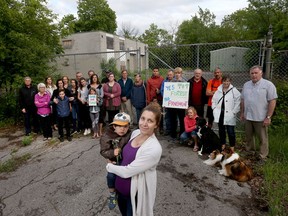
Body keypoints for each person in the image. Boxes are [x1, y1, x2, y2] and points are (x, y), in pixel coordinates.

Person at [106, 103, 163, 216]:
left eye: (150, 121)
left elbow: (127, 171)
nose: (144, 124)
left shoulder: (154, 148)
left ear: (156, 125)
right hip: (120, 192)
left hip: (135, 197)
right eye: (143, 118)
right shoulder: (136, 133)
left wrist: (109, 167)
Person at [240, 65, 277, 159]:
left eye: (256, 73)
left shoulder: (268, 85)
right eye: (252, 73)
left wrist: (268, 117)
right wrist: (242, 113)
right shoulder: (246, 85)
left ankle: (262, 155)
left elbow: (272, 101)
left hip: (261, 117)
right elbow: (243, 100)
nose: (253, 75)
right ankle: (250, 151)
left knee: (262, 138)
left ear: (261, 73)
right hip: (248, 116)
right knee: (248, 137)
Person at [100, 112, 132, 210]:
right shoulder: (106, 136)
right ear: (114, 126)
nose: (122, 129)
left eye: (125, 126)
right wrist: (112, 153)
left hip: (127, 161)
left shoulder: (130, 134)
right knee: (111, 176)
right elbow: (103, 151)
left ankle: (128, 193)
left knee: (127, 178)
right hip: (114, 162)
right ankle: (112, 194)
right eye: (119, 126)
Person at [212, 75, 241, 152]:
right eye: (224, 81)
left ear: (230, 82)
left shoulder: (234, 90)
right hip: (220, 113)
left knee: (230, 131)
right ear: (222, 81)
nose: (226, 82)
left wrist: (234, 111)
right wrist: (214, 108)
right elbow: (214, 100)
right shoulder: (218, 90)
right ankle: (223, 144)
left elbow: (238, 101)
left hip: (229, 114)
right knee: (221, 130)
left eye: (228, 81)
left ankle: (232, 146)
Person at [170, 67, 187, 138]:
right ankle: (173, 133)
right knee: (173, 119)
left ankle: (182, 133)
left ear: (181, 74)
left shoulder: (185, 82)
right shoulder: (171, 82)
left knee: (181, 119)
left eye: (179, 73)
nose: (177, 74)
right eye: (176, 73)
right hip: (173, 104)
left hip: (181, 105)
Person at [160, 69, 174, 136]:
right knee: (167, 116)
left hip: (175, 103)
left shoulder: (176, 81)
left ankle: (174, 130)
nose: (169, 76)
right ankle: (168, 130)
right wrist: (166, 96)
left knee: (174, 117)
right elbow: (162, 90)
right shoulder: (164, 82)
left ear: (173, 75)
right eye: (168, 75)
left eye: (171, 75)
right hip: (167, 102)